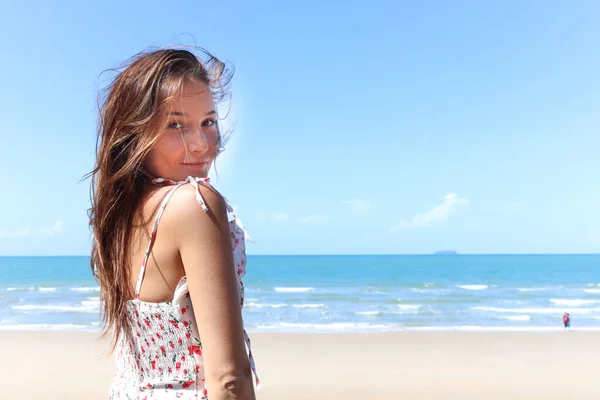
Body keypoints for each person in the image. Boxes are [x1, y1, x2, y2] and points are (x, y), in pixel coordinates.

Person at [88, 48, 259, 399]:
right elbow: (228, 377)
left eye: (208, 122)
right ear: (134, 133)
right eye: (175, 125)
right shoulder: (194, 205)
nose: (201, 144)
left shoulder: (119, 219)